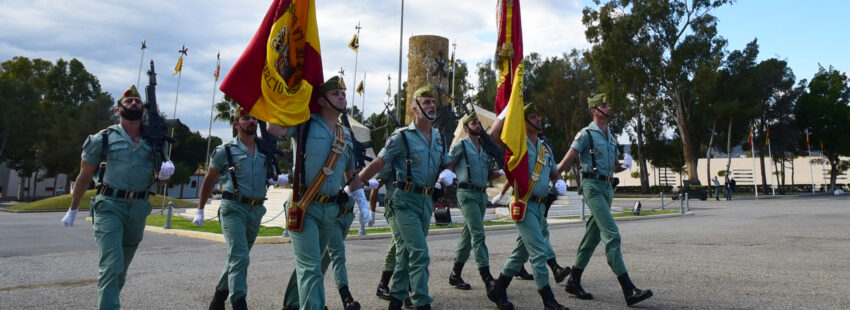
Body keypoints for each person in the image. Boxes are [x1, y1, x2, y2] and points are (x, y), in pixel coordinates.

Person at [60, 85, 175, 309]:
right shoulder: (102, 138)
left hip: (139, 206)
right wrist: (73, 209)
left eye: (138, 102)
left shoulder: (154, 141)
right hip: (110, 205)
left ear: (143, 110)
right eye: (129, 101)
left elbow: (159, 180)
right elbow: (84, 175)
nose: (134, 104)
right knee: (111, 266)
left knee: (120, 270)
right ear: (117, 110)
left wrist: (164, 175)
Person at [268, 76, 371, 309]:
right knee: (311, 268)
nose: (342, 96)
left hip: (330, 210)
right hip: (304, 206)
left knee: (314, 266)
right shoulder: (304, 123)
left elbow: (351, 174)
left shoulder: (345, 134)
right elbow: (273, 128)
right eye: (336, 93)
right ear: (321, 100)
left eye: (343, 93)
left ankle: (293, 304)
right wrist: (283, 100)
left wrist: (362, 202)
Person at [357, 85, 455, 310]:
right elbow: (378, 163)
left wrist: (447, 171)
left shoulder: (439, 137)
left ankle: (395, 301)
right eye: (426, 101)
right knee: (419, 253)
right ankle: (422, 302)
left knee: (404, 254)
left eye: (433, 102)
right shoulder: (401, 136)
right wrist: (355, 185)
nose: (432, 106)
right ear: (414, 109)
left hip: (426, 202)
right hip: (403, 202)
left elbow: (447, 160)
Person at [556, 93, 653, 306]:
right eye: (604, 105)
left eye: (608, 104)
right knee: (612, 235)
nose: (608, 108)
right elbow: (566, 161)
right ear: (594, 111)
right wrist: (553, 179)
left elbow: (612, 166)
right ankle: (629, 289)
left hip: (608, 187)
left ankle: (574, 280)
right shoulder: (585, 135)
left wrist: (624, 165)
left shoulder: (610, 136)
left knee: (593, 236)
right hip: (593, 187)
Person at [198, 107, 288, 310]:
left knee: (238, 257)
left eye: (255, 118)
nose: (252, 122)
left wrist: (276, 178)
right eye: (246, 118)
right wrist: (200, 209)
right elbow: (210, 179)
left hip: (256, 210)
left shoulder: (266, 150)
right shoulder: (225, 150)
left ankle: (218, 299)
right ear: (236, 124)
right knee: (240, 256)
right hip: (233, 208)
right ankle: (239, 302)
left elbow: (269, 175)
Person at [486, 102, 570, 310]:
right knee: (539, 253)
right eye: (533, 117)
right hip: (523, 204)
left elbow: (553, 171)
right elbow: (495, 134)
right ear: (523, 122)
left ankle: (498, 289)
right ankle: (549, 300)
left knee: (520, 254)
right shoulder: (517, 143)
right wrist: (508, 109)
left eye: (539, 116)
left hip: (541, 207)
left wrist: (559, 180)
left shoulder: (545, 147)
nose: (538, 119)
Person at [445, 112, 504, 292]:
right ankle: (487, 278)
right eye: (473, 123)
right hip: (466, 194)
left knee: (468, 235)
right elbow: (449, 165)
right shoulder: (461, 145)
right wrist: (446, 176)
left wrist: (503, 171)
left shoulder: (486, 149)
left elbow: (489, 175)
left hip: (480, 195)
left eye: (478, 123)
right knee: (478, 234)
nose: (477, 125)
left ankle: (455, 274)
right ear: (465, 128)